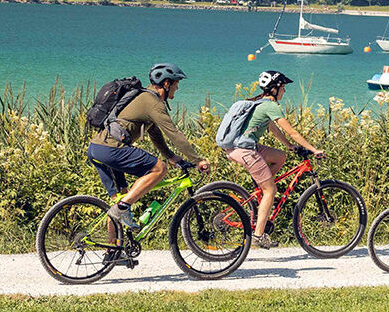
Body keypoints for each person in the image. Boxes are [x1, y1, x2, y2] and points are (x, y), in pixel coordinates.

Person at [88, 63, 212, 233]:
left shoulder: (143, 98)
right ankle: (122, 208)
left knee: (121, 198)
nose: (177, 87)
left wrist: (170, 156)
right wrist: (197, 160)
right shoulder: (152, 102)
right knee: (159, 169)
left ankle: (113, 252)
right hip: (111, 148)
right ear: (166, 83)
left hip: (97, 148)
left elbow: (155, 133)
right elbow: (173, 133)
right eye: (176, 83)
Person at [225, 70, 325, 249]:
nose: (284, 91)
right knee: (271, 190)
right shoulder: (271, 106)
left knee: (280, 157)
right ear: (275, 88)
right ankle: (258, 235)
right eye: (283, 87)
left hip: (241, 147)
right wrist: (314, 149)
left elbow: (272, 128)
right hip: (245, 150)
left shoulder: (260, 103)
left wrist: (289, 146)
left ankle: (260, 189)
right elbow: (292, 131)